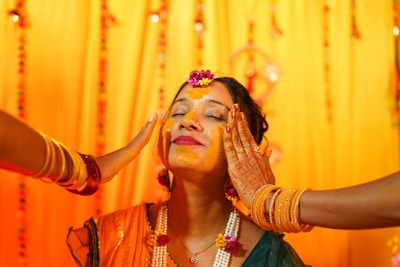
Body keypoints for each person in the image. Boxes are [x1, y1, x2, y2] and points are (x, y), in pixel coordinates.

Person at [0, 70, 399, 266]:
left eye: (214, 116)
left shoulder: (271, 256)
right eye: (179, 112)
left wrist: (270, 204)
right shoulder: (111, 238)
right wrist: (84, 169)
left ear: (244, 147)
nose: (188, 122)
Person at [0, 109, 158, 195]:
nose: (183, 122)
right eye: (178, 113)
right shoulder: (114, 230)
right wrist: (88, 169)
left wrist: (88, 169)